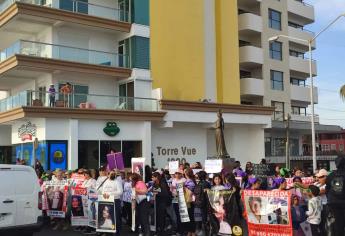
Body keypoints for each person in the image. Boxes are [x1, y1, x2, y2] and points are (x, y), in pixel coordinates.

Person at [326, 156, 345, 236]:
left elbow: (327, 188)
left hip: (333, 204)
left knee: (337, 226)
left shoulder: (331, 175)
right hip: (343, 203)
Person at [102, 170, 123, 236]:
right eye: (111, 174)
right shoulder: (106, 182)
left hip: (115, 201)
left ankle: (117, 233)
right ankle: (109, 232)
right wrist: (104, 194)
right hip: (107, 201)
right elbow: (103, 190)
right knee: (109, 217)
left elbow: (120, 192)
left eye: (113, 174)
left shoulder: (117, 182)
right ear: (108, 174)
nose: (112, 175)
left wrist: (110, 194)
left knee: (116, 218)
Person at [171, 170, 186, 236]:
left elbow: (183, 188)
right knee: (176, 215)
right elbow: (171, 188)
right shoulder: (173, 180)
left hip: (181, 198)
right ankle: (178, 229)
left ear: (181, 174)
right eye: (176, 173)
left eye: (178, 173)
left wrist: (175, 187)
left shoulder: (184, 180)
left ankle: (182, 230)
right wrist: (172, 190)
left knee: (181, 215)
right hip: (175, 198)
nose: (177, 174)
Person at [182, 168, 196, 236]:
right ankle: (189, 231)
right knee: (187, 218)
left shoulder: (191, 182)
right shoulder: (187, 181)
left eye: (184, 172)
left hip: (189, 201)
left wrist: (183, 187)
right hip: (185, 201)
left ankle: (192, 232)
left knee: (190, 217)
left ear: (186, 173)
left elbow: (190, 192)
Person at [314, 168, 328, 235]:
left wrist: (309, 192)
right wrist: (299, 184)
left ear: (325, 177)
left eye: (320, 177)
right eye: (318, 177)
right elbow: (308, 188)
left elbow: (319, 192)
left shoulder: (327, 185)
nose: (318, 178)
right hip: (316, 207)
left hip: (324, 207)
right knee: (317, 226)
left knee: (323, 226)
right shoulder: (316, 184)